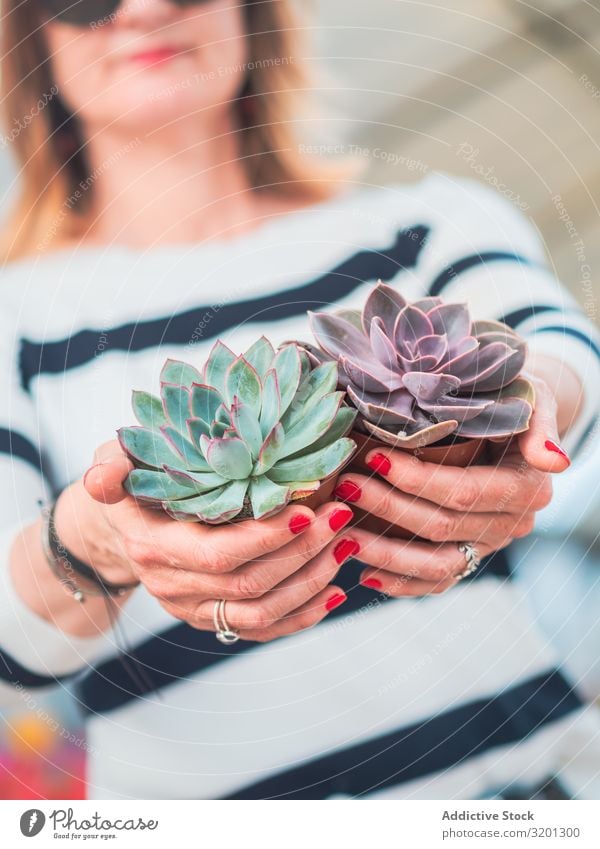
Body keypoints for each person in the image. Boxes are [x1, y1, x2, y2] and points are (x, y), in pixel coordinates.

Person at [1, 0, 599, 799]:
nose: (142, 11)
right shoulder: (15, 319)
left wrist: (530, 407)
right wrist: (94, 539)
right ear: (32, 39)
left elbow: (556, 344)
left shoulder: (422, 224)